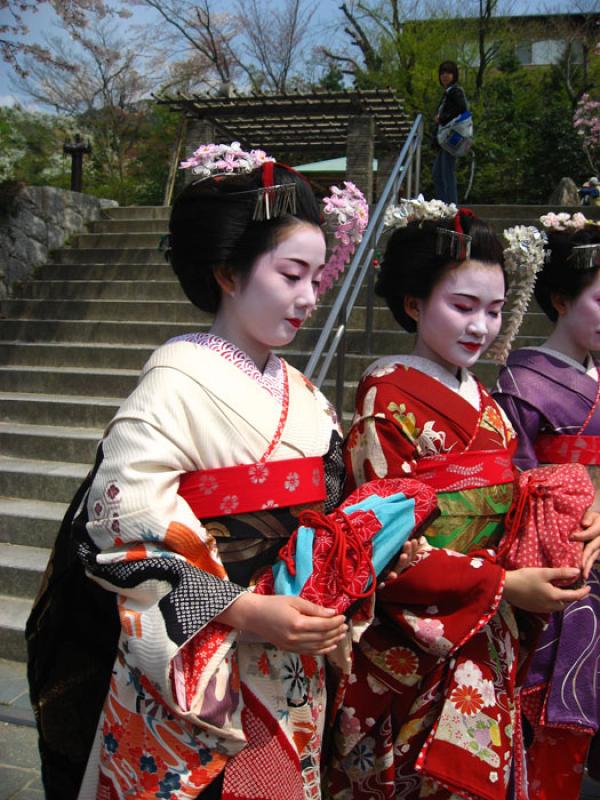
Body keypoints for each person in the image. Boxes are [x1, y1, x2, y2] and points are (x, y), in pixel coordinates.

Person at [26, 144, 368, 800]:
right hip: (206, 660)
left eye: (316, 279)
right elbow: (120, 528)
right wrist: (247, 608)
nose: (308, 299)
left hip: (292, 650)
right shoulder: (175, 380)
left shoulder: (305, 393)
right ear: (227, 272)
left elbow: (338, 507)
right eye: (291, 273)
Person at [324, 198, 591, 800]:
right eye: (462, 306)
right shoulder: (385, 397)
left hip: (485, 623)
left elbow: (518, 488)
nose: (481, 327)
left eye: (494, 311)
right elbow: (379, 541)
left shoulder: (485, 400)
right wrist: (501, 586)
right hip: (418, 636)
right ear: (414, 303)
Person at [494, 216, 600, 800]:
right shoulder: (522, 380)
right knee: (544, 729)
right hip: (557, 559)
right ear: (560, 299)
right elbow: (518, 476)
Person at [432, 60, 467, 204]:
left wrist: (442, 117)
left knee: (446, 173)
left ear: (454, 75)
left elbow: (461, 109)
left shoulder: (455, 91)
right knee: (438, 173)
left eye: (449, 73)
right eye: (442, 73)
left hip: (452, 137)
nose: (445, 76)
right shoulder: (448, 93)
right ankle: (444, 205)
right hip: (445, 139)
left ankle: (451, 208)